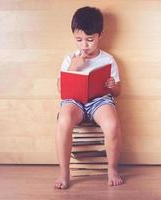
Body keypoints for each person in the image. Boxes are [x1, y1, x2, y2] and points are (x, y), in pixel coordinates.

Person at [54, 6, 123, 189]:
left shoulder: (108, 59)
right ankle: (64, 172)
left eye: (90, 40)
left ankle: (112, 168)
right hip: (74, 101)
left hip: (99, 100)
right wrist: (73, 68)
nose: (84, 45)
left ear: (100, 35)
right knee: (64, 119)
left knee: (112, 124)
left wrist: (112, 86)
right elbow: (61, 89)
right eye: (79, 40)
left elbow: (118, 91)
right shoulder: (70, 58)